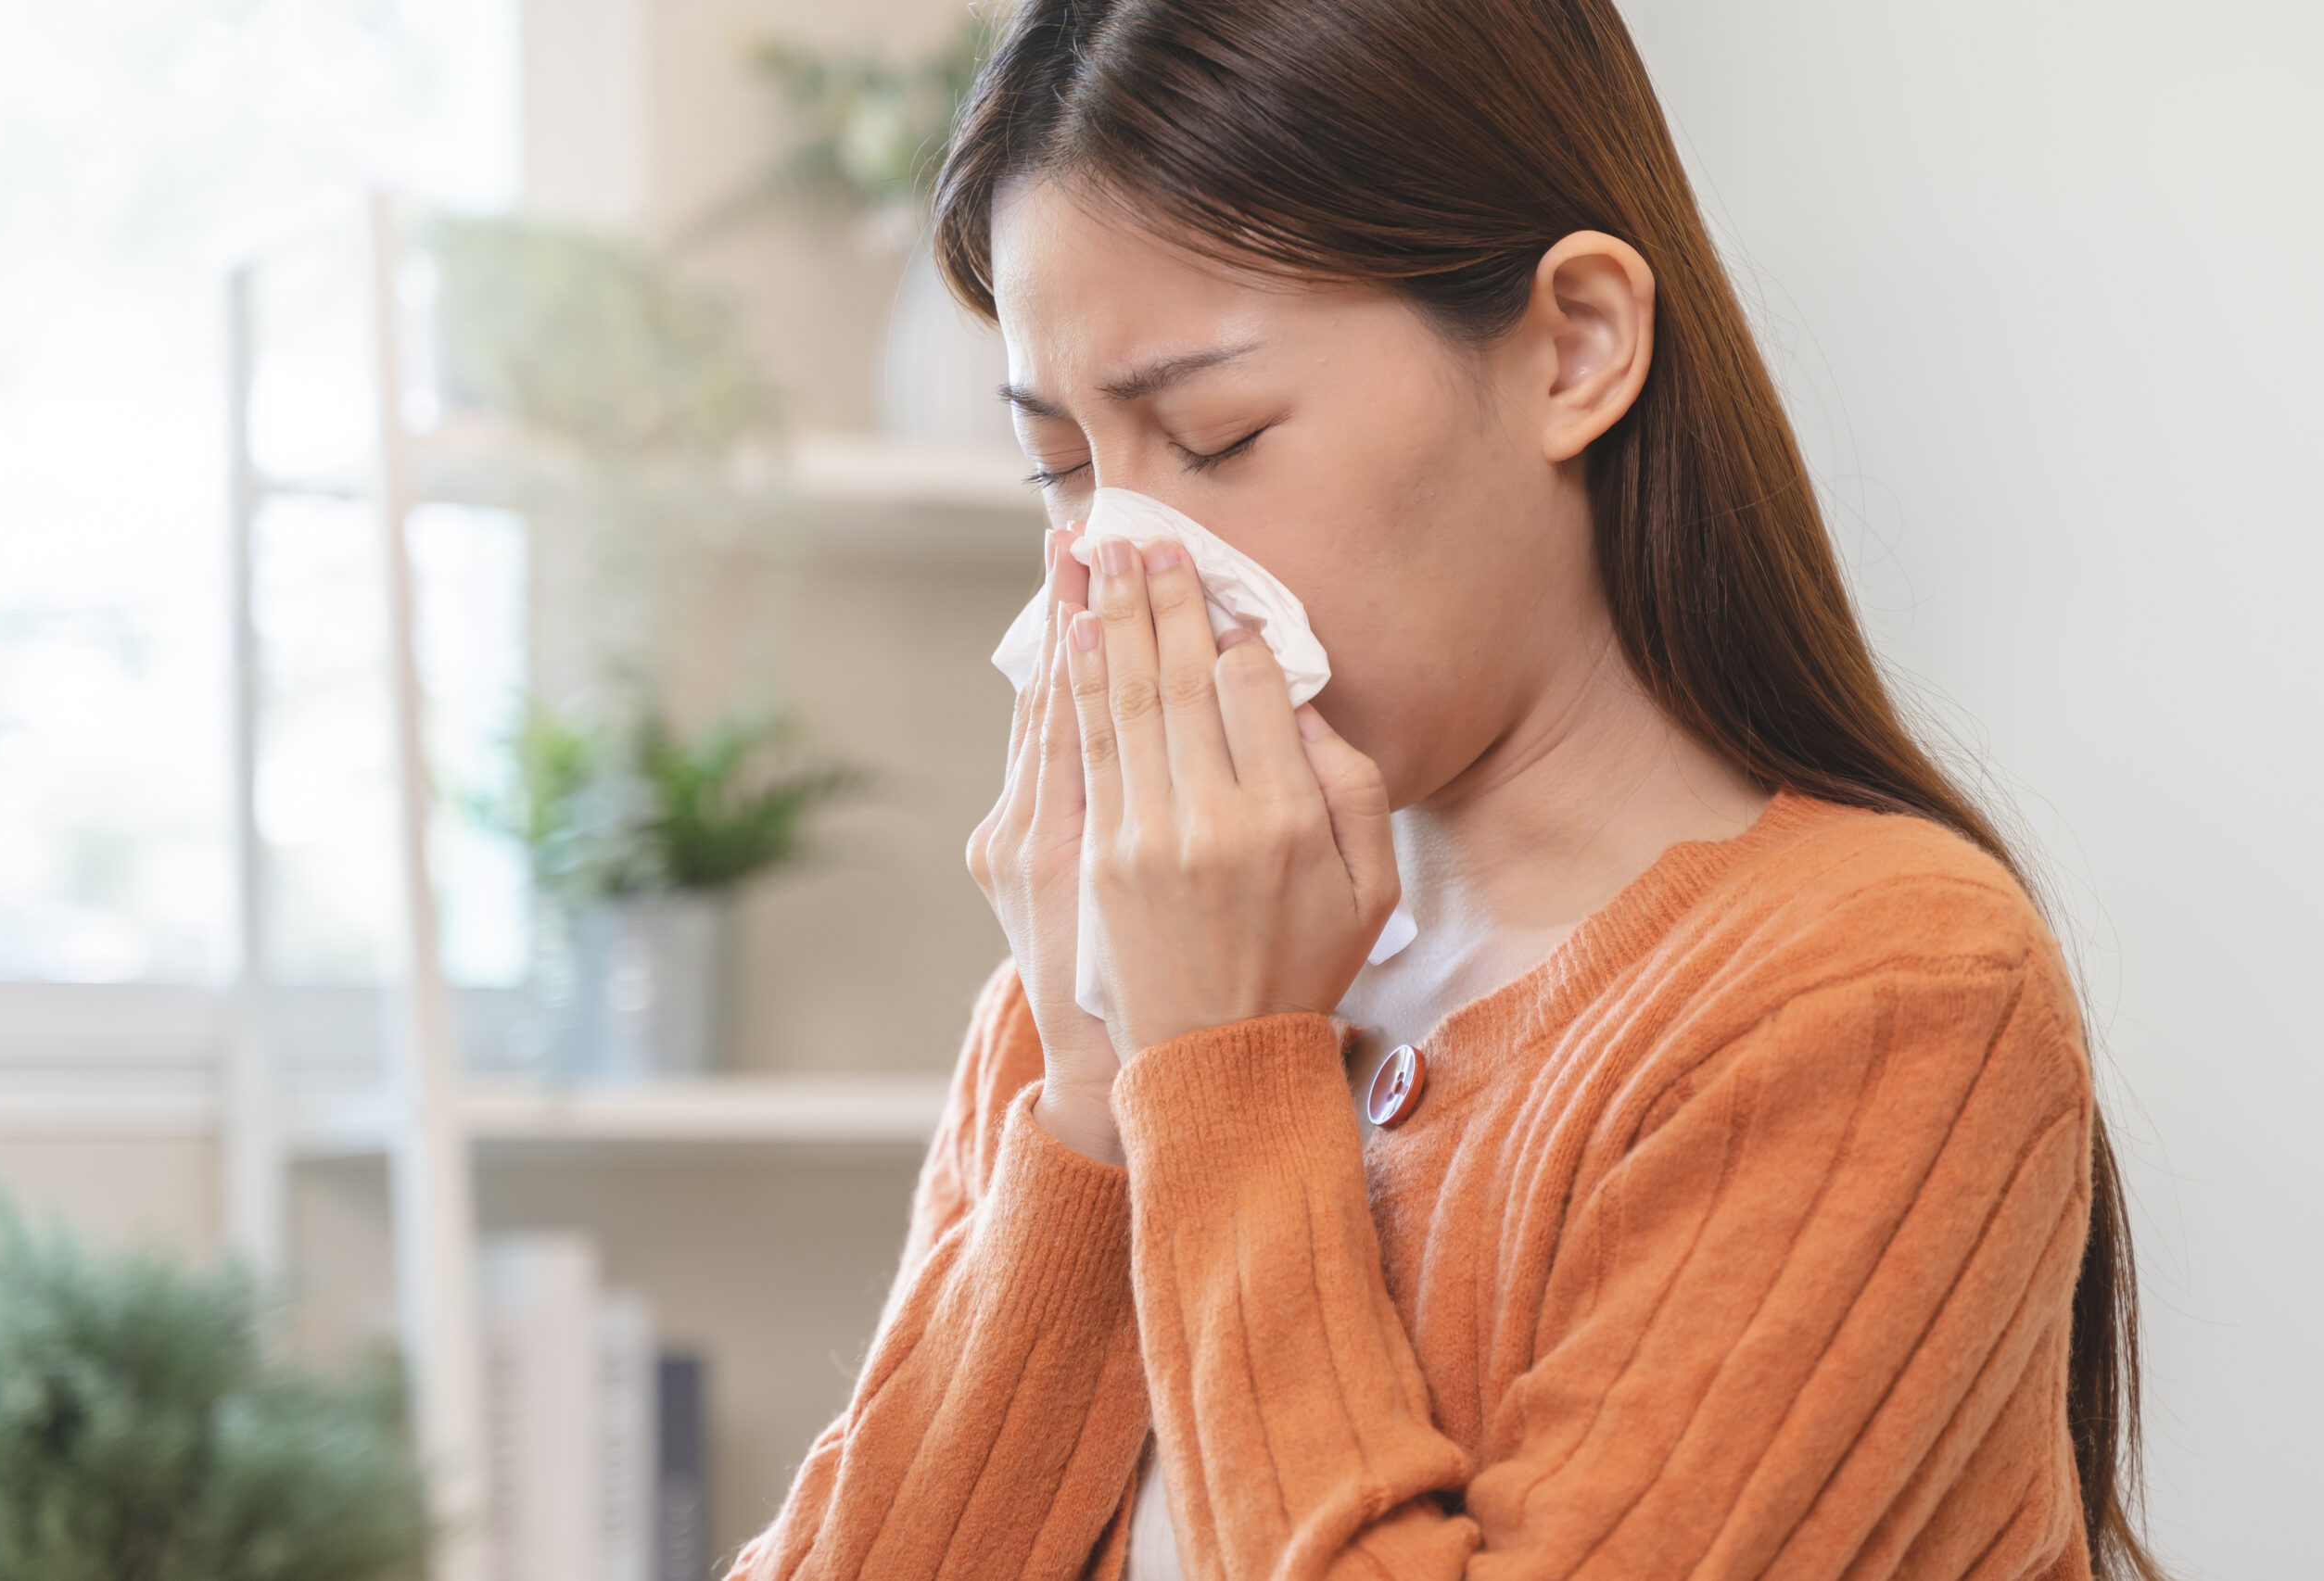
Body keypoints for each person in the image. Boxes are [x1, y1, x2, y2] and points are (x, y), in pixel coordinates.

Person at [729, 1, 2164, 1577]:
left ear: (1575, 347)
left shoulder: (1882, 993)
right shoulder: (1086, 1001)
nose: (1119, 567)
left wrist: (1221, 1074)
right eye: (1062, 470)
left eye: (1218, 435)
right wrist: (1086, 1100)